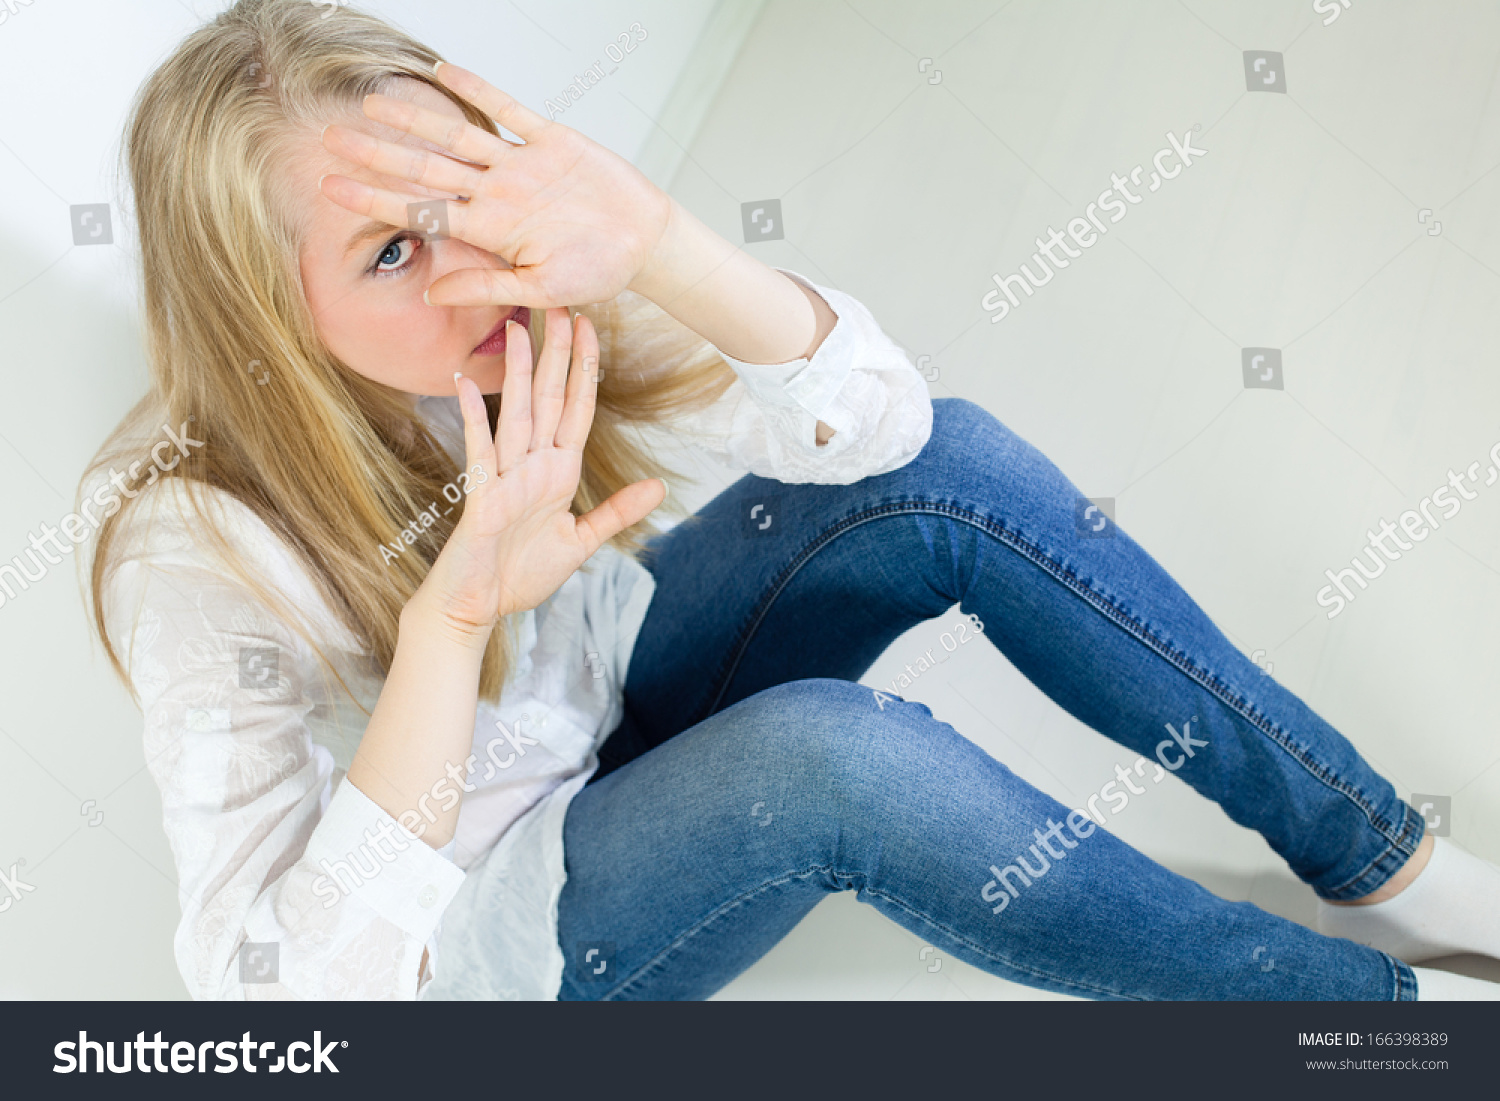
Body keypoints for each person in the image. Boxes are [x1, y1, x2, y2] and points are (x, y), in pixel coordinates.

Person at [87, 0, 1500, 1001]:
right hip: (495, 947)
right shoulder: (189, 547)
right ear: (262, 315)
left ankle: (1384, 862)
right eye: (394, 249)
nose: (470, 261)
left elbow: (882, 428)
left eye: (467, 190)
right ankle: (1359, 1020)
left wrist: (655, 241)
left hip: (606, 726)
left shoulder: (500, 321)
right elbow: (265, 997)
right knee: (829, 755)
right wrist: (450, 627)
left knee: (952, 468)